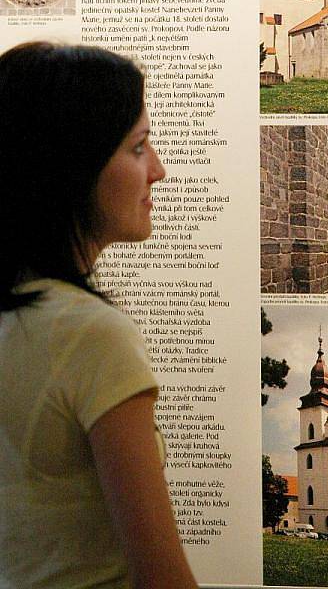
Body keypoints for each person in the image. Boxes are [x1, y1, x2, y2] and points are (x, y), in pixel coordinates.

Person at [0, 42, 198, 589]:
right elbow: (162, 578)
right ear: (75, 165)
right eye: (138, 148)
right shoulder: (90, 332)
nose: (158, 171)